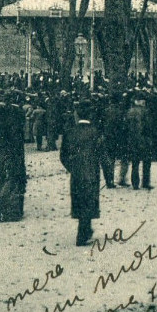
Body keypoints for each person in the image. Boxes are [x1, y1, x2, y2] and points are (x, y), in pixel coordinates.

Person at [60, 101, 104, 246]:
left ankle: (85, 230)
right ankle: (83, 233)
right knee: (89, 198)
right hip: (91, 170)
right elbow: (101, 152)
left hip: (77, 171)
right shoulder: (95, 131)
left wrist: (72, 167)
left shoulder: (70, 131)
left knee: (79, 198)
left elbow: (63, 155)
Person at [124, 95, 151, 190]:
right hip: (144, 140)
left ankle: (135, 183)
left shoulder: (129, 112)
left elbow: (126, 126)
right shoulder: (145, 111)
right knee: (147, 162)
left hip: (132, 140)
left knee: (135, 163)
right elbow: (148, 126)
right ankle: (145, 182)